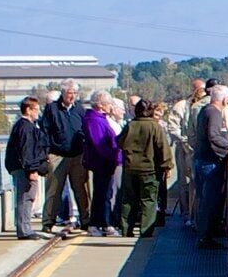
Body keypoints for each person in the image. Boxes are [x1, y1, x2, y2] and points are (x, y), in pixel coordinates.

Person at [116, 96, 177, 238]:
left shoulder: (130, 125)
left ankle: (126, 229)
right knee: (148, 200)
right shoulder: (154, 126)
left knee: (128, 200)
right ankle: (146, 230)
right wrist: (167, 166)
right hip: (149, 170)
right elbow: (163, 147)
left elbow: (120, 142)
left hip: (130, 168)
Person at [191, 82, 228, 246]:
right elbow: (213, 136)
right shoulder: (214, 113)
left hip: (200, 160)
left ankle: (205, 234)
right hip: (209, 163)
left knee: (203, 199)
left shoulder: (204, 111)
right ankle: (205, 237)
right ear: (225, 99)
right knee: (209, 201)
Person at [40, 85, 91, 232]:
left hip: (77, 155)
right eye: (69, 93)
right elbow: (45, 131)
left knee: (81, 190)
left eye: (75, 93)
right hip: (58, 154)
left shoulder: (79, 109)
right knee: (54, 190)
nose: (72, 96)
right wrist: (46, 153)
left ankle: (85, 219)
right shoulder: (52, 109)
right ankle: (48, 221)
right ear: (63, 94)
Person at [74, 92, 125, 234]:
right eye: (109, 104)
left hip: (106, 161)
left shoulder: (98, 119)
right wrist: (113, 156)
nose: (111, 107)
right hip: (102, 162)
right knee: (103, 194)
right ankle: (103, 223)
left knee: (103, 193)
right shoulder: (94, 120)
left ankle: (98, 223)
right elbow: (99, 143)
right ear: (101, 105)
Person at [1, 96, 51, 239]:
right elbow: (27, 151)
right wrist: (31, 169)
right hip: (24, 169)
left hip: (23, 167)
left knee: (28, 197)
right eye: (36, 109)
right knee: (25, 197)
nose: (38, 112)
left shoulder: (25, 126)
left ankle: (25, 228)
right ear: (29, 110)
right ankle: (24, 230)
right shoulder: (25, 127)